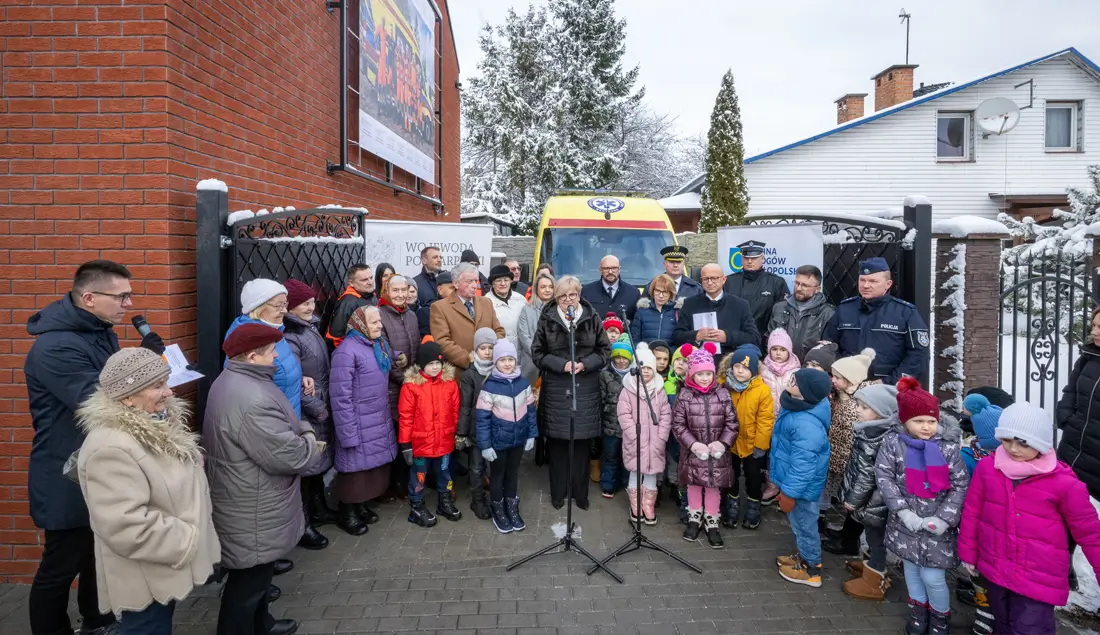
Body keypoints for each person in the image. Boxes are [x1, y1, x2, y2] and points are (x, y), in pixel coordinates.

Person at [23, 260, 153, 635]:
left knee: (98, 555)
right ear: (90, 297)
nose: (129, 304)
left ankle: (97, 621)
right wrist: (147, 379)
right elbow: (97, 399)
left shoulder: (99, 331)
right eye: (122, 296)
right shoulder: (55, 346)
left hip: (97, 464)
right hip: (66, 473)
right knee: (60, 566)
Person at [76, 348, 220, 634]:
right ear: (128, 397)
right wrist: (187, 539)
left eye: (166, 381)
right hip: (145, 579)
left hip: (161, 568)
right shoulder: (110, 447)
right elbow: (125, 524)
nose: (168, 392)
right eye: (157, 385)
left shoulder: (157, 424)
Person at [204, 323, 325, 635]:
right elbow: (292, 455)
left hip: (249, 496)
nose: (277, 357)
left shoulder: (238, 380)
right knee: (247, 586)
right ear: (252, 356)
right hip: (252, 503)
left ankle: (262, 624)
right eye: (272, 351)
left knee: (256, 580)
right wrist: (309, 433)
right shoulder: (251, 397)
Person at [960, 401, 1100, 635]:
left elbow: (1090, 534)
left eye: (1023, 443)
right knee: (1002, 625)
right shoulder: (988, 469)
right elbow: (973, 511)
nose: (1013, 449)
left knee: (1030, 629)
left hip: (1038, 578)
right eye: (1006, 440)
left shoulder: (1064, 484)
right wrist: (968, 552)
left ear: (1040, 443)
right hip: (996, 568)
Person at [876, 377, 969, 635]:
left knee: (933, 576)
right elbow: (884, 477)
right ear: (905, 421)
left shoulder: (948, 448)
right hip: (906, 523)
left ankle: (940, 618)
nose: (926, 427)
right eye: (919, 421)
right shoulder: (893, 444)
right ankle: (918, 612)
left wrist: (944, 519)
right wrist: (903, 511)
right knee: (912, 571)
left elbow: (960, 485)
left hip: (936, 525)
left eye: (931, 421)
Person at [531, 275, 611, 509]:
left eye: (572, 295)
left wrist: (585, 363)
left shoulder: (591, 316)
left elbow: (604, 350)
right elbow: (537, 353)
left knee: (581, 444)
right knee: (557, 445)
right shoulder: (547, 318)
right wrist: (561, 365)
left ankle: (580, 494)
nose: (568, 300)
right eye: (563, 296)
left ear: (579, 294)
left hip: (585, 386)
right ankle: (558, 494)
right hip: (557, 387)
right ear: (556, 298)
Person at [329, 306, 398, 535]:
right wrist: (347, 432)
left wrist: (398, 356)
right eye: (374, 322)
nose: (380, 325)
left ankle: (361, 506)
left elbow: (383, 362)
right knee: (354, 471)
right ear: (360, 324)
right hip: (357, 421)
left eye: (379, 321)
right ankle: (347, 513)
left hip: (376, 417)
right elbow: (340, 396)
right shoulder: (346, 352)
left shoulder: (378, 345)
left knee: (370, 468)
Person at [282, 279, 336, 550]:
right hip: (307, 410)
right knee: (306, 469)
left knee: (316, 465)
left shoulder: (310, 326)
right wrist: (316, 407)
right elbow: (292, 379)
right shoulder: (290, 335)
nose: (310, 306)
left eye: (312, 301)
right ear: (290, 305)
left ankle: (319, 509)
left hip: (319, 403)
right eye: (304, 302)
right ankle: (304, 526)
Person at [821, 257, 929, 385]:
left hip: (888, 388)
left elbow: (918, 354)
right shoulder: (844, 309)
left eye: (873, 281)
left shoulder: (905, 312)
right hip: (847, 386)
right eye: (862, 280)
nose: (866, 285)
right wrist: (841, 375)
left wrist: (890, 381)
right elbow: (829, 346)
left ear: (888, 284)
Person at [671, 343, 738, 548]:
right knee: (693, 484)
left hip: (717, 454)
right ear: (691, 375)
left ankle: (712, 521)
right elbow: (678, 425)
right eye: (700, 374)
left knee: (712, 486)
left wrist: (723, 443)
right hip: (694, 453)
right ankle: (694, 518)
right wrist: (693, 445)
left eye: (708, 373)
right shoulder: (684, 396)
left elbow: (732, 423)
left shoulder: (723, 394)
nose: (704, 378)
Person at [838, 383, 900, 602]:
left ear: (881, 412)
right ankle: (870, 565)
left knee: (876, 537)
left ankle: (875, 578)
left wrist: (852, 501)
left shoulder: (875, 436)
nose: (858, 410)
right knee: (872, 534)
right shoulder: (871, 430)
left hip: (875, 499)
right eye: (858, 405)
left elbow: (867, 475)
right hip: (872, 498)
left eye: (864, 407)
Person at [772, 368, 833, 588]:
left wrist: (789, 492)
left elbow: (803, 466)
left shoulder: (806, 424)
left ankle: (811, 568)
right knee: (799, 524)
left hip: (801, 489)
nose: (790, 381)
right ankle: (803, 553)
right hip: (793, 482)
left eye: (795, 381)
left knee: (805, 525)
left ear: (806, 391)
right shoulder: (797, 405)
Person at [475, 339, 538, 533]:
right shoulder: (489, 387)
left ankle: (511, 506)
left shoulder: (523, 383)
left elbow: (530, 411)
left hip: (518, 440)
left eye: (511, 359)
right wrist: (485, 445)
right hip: (498, 442)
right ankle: (498, 508)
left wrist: (531, 435)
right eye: (503, 360)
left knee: (512, 474)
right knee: (497, 476)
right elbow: (482, 419)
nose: (508, 364)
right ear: (496, 362)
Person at [398, 340, 461, 527]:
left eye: (438, 363)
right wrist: (405, 445)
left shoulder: (449, 384)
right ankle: (416, 505)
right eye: (431, 363)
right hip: (421, 444)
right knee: (419, 475)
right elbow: (406, 417)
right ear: (422, 364)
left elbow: (455, 412)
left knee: (445, 474)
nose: (435, 367)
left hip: (444, 441)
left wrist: (458, 434)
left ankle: (445, 500)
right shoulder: (411, 387)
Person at [821, 349, 876, 556]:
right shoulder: (842, 395)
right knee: (845, 498)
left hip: (852, 460)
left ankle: (849, 542)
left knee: (854, 502)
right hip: (840, 455)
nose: (832, 380)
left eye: (837, 377)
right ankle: (844, 533)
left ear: (850, 379)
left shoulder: (859, 404)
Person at [716, 344, 774, 530]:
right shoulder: (723, 385)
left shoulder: (762, 390)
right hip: (729, 442)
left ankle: (753, 506)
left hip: (752, 443)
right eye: (737, 366)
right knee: (730, 475)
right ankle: (732, 505)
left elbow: (765, 420)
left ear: (754, 370)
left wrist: (761, 445)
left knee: (753, 477)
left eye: (745, 368)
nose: (740, 371)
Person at [225, 279, 303, 417]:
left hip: (288, 418)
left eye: (285, 304)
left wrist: (299, 376)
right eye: (278, 305)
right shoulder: (249, 341)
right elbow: (248, 400)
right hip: (275, 425)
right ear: (258, 307)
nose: (284, 310)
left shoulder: (273, 331)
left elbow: (281, 372)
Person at [378, 275, 421, 502]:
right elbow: (383, 355)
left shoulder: (411, 315)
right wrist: (405, 379)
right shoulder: (380, 315)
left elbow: (415, 350)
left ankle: (403, 481)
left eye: (404, 290)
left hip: (411, 385)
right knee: (393, 436)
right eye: (396, 291)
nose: (401, 294)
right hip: (392, 388)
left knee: (408, 435)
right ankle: (392, 484)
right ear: (386, 291)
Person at [618, 343, 672, 524]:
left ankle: (648, 505)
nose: (646, 372)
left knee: (651, 474)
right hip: (636, 440)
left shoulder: (659, 391)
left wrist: (662, 435)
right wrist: (633, 434)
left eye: (649, 368)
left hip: (655, 441)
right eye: (642, 368)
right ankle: (635, 505)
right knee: (635, 472)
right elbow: (623, 414)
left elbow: (665, 414)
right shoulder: (628, 390)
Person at [1057, 307, 1100, 503]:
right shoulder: (1088, 356)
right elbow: (1071, 389)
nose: (1094, 332)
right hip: (1072, 446)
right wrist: (1065, 417)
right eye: (1094, 326)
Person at [673, 263, 760, 358]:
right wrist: (696, 335)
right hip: (698, 365)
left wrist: (727, 336)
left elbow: (754, 338)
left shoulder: (740, 305)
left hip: (730, 364)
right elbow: (677, 336)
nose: (710, 283)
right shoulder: (690, 304)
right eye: (706, 279)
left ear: (723, 280)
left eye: (714, 278)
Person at [430, 263, 505, 370]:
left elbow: (499, 331)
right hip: (461, 372)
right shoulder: (440, 308)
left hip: (490, 370)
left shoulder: (486, 302)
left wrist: (489, 353)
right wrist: (469, 359)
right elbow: (442, 342)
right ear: (456, 284)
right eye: (469, 281)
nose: (475, 285)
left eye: (476, 280)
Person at [456, 328, 498, 521]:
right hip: (475, 430)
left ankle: (497, 498)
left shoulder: (500, 370)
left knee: (495, 465)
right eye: (483, 348)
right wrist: (462, 433)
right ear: (476, 349)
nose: (487, 352)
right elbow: (465, 406)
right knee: (476, 467)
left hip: (496, 429)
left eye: (490, 348)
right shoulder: (470, 375)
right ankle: (478, 500)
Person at [723, 240, 789, 347]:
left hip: (763, 342)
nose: (749, 261)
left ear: (762, 258)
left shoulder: (776, 282)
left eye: (754, 258)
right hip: (733, 341)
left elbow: (782, 315)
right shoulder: (729, 281)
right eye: (746, 258)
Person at [767, 265, 835, 360]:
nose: (799, 288)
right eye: (797, 283)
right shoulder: (779, 307)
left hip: (809, 368)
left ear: (817, 289)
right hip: (780, 368)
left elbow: (827, 349)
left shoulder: (827, 313)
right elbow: (769, 339)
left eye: (805, 285)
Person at [600, 339, 634, 498]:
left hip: (630, 424)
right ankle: (608, 484)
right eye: (617, 357)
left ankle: (627, 483)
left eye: (625, 357)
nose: (621, 361)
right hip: (610, 422)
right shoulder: (605, 374)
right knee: (610, 455)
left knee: (628, 455)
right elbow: (600, 397)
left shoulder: (635, 374)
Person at [664, 343, 691, 522]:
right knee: (676, 465)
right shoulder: (667, 384)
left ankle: (688, 503)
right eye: (677, 360)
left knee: (688, 470)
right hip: (672, 433)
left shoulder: (692, 386)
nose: (680, 363)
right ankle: (681, 496)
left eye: (685, 360)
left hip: (689, 435)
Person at [518, 273, 555, 386]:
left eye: (550, 287)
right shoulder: (527, 309)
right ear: (536, 289)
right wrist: (539, 355)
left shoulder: (559, 309)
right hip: (531, 363)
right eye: (543, 287)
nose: (547, 290)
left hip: (554, 363)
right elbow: (524, 337)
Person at [326, 264, 376, 348]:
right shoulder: (347, 303)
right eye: (364, 280)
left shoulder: (372, 295)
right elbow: (335, 338)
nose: (370, 282)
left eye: (371, 278)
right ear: (351, 283)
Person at [581, 255, 641, 322]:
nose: (610, 272)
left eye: (614, 268)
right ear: (600, 270)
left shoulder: (633, 293)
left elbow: (637, 323)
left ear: (619, 269)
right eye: (606, 268)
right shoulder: (586, 291)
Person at [631, 274, 682, 345]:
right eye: (658, 291)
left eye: (665, 292)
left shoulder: (678, 312)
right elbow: (634, 340)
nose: (661, 296)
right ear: (653, 291)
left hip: (669, 354)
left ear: (671, 293)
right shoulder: (641, 312)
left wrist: (668, 352)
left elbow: (681, 342)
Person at [761, 328, 801, 416]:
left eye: (783, 349)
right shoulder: (763, 370)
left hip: (787, 415)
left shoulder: (796, 372)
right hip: (767, 416)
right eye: (774, 349)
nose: (778, 353)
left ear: (789, 351)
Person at [486, 264, 527, 347]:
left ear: (511, 281)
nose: (503, 283)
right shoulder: (486, 302)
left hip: (521, 350)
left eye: (506, 280)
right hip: (499, 351)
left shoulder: (521, 299)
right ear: (493, 283)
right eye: (498, 281)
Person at [417, 270, 451, 336]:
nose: (455, 292)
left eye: (457, 289)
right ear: (440, 289)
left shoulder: (462, 308)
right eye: (452, 288)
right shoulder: (427, 312)